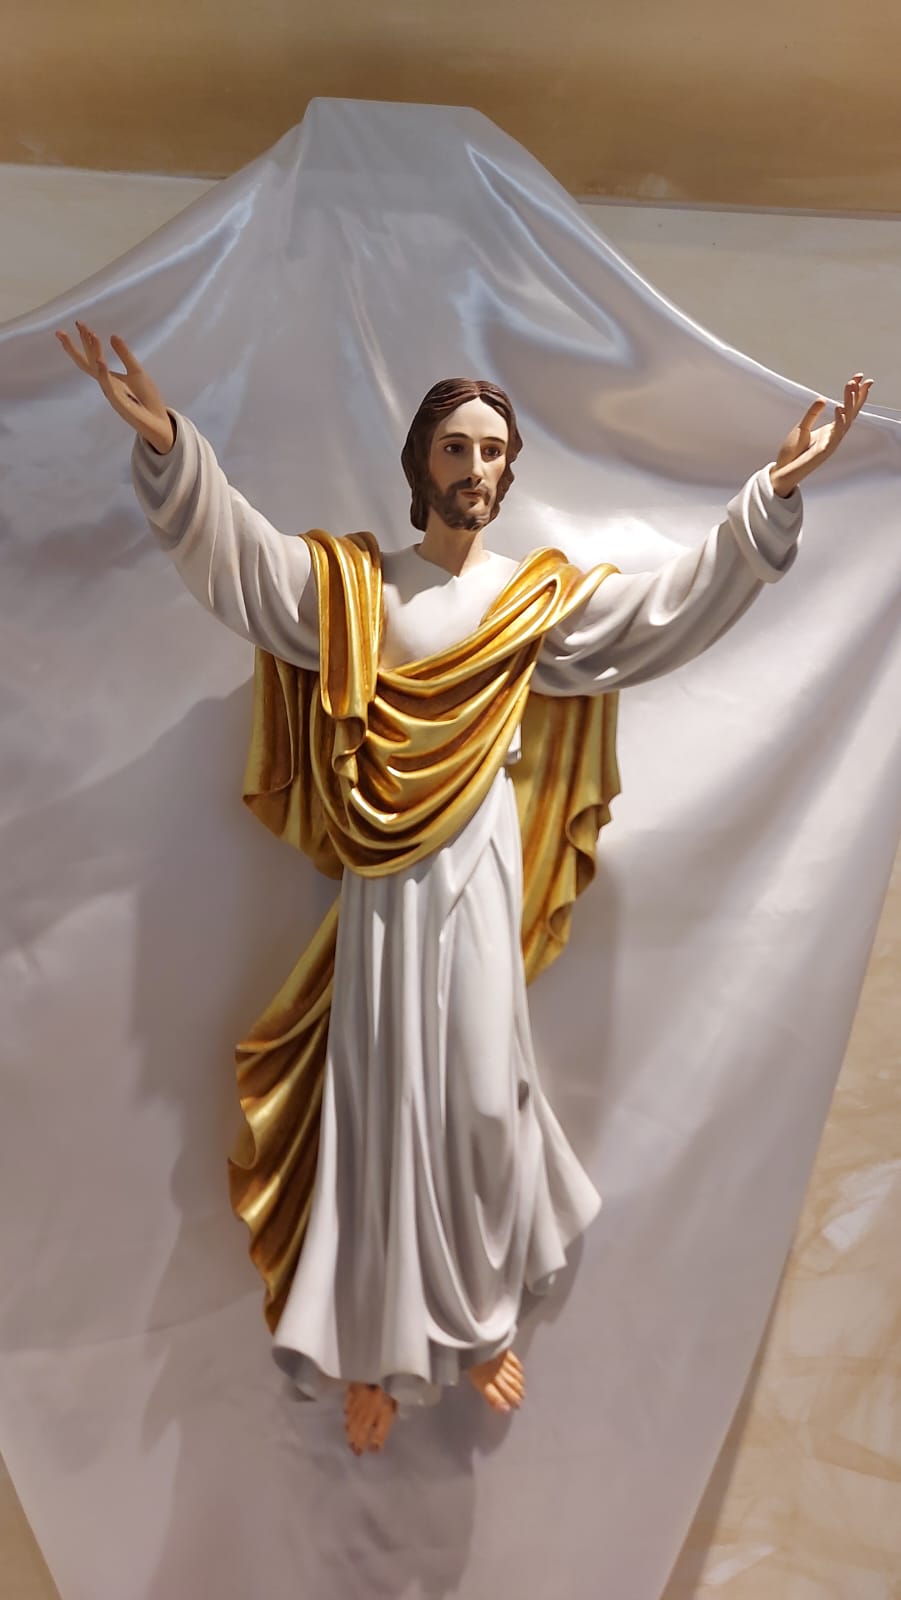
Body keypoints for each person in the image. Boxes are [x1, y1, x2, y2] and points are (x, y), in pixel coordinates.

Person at [57, 321, 871, 1457]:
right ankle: (376, 1351)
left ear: (509, 469)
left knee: (484, 1092)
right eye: (456, 448)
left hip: (478, 865)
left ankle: (480, 1320)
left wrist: (768, 498)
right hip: (385, 879)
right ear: (421, 465)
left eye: (492, 450)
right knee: (379, 1102)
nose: (476, 467)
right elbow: (249, 568)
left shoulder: (529, 606)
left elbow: (663, 614)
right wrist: (170, 449)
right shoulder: (360, 591)